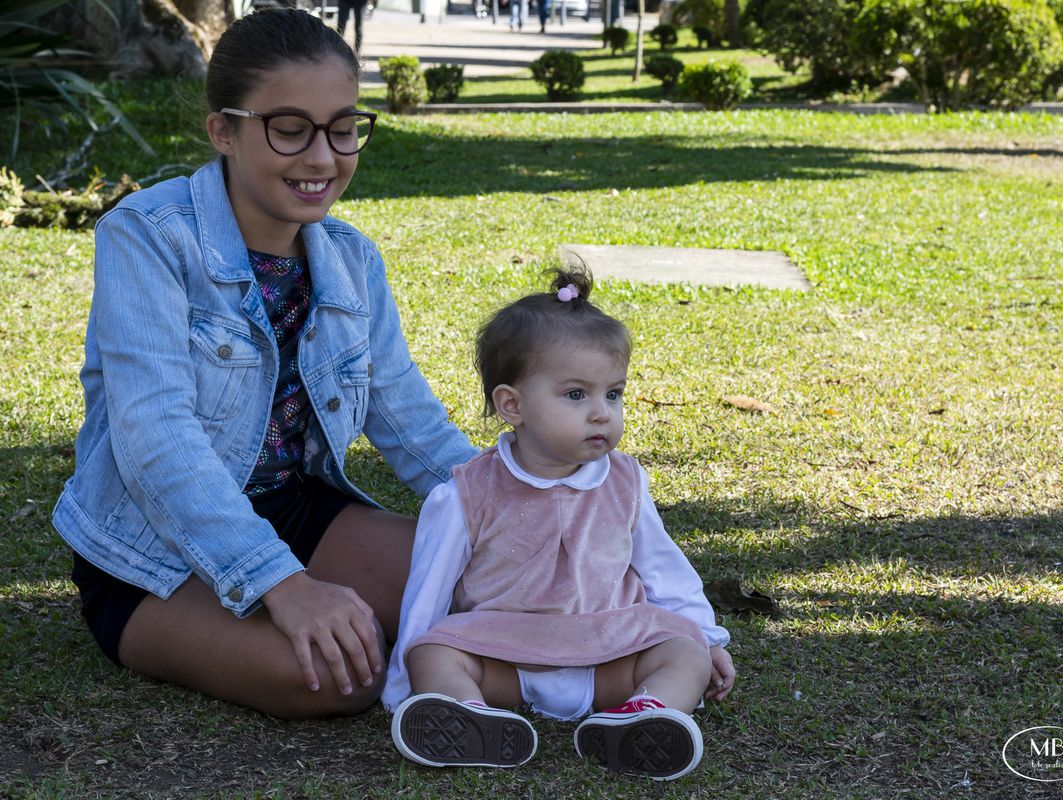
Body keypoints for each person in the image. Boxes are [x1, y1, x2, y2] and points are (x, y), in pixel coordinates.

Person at [52, 8, 476, 721]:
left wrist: (536, 519)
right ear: (224, 130)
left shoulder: (351, 258)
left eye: (342, 128)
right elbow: (155, 438)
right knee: (342, 675)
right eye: (289, 128)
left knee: (500, 584)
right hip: (151, 551)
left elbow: (413, 426)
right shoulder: (148, 236)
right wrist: (282, 583)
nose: (322, 157)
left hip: (294, 511)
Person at [383, 266, 735, 780]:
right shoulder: (465, 492)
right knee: (434, 651)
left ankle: (642, 714)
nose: (602, 413)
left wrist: (709, 639)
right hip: (500, 652)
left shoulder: (626, 482)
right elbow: (427, 591)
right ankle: (470, 714)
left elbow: (665, 570)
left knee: (683, 649)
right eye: (576, 395)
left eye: (613, 394)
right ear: (513, 405)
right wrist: (403, 684)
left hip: (609, 650)